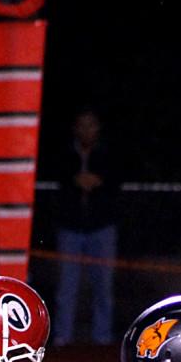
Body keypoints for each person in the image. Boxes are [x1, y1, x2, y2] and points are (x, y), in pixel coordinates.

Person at [53, 108, 121, 346]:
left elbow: (115, 182)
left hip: (101, 228)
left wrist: (98, 181)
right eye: (82, 125)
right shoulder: (64, 153)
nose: (86, 130)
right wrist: (75, 181)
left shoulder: (108, 153)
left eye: (90, 125)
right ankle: (62, 339)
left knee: (103, 287)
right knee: (67, 288)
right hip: (70, 229)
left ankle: (102, 341)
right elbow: (59, 179)